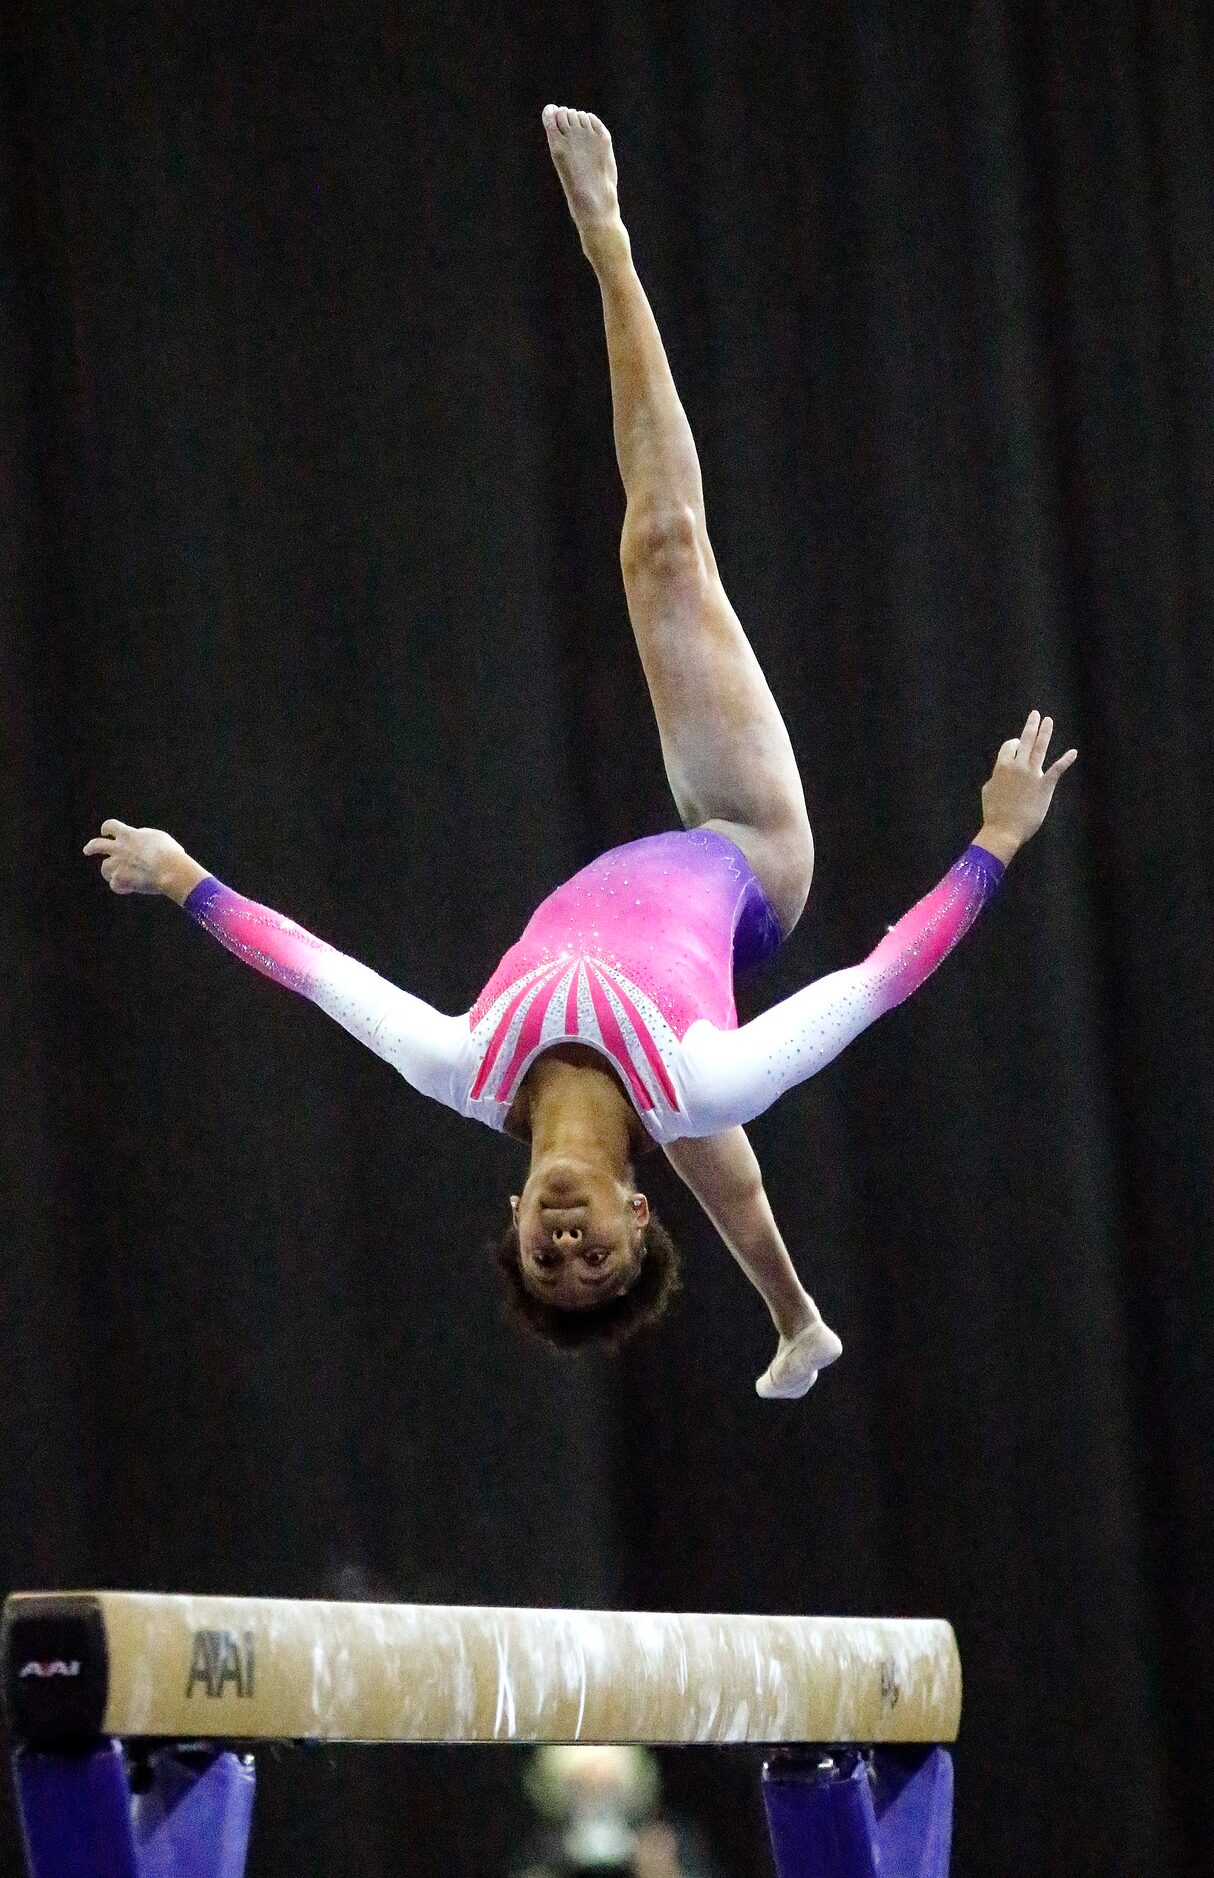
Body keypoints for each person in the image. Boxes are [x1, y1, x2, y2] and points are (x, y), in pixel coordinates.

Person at [84, 107, 1076, 1397]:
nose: (565, 1248)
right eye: (595, 1264)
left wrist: (182, 879)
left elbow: (314, 972)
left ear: (509, 1223)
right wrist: (998, 837)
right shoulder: (708, 1074)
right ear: (633, 1226)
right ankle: (611, 242)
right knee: (663, 548)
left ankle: (799, 1324)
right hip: (744, 853)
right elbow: (885, 978)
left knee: (698, 1127)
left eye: (544, 1265)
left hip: (649, 984)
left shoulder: (465, 1063)